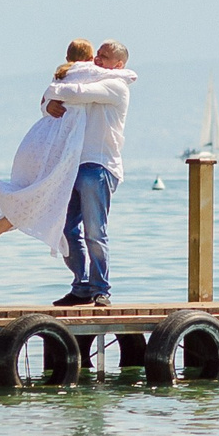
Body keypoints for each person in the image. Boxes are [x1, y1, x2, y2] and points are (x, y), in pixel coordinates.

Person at [0, 41, 95, 274]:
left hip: (38, 141)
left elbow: (45, 102)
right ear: (91, 59)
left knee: (41, 197)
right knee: (41, 196)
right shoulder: (86, 76)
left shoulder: (59, 79)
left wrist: (47, 103)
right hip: (54, 148)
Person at [43, 39, 134, 307]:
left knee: (95, 232)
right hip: (73, 164)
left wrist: (51, 90)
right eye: (97, 55)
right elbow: (56, 102)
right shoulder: (92, 77)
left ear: (118, 64)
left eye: (104, 57)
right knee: (65, 229)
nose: (96, 59)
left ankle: (101, 289)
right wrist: (47, 104)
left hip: (100, 165)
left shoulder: (115, 85)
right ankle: (81, 285)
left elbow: (74, 93)